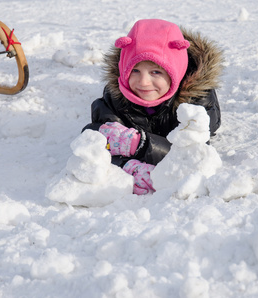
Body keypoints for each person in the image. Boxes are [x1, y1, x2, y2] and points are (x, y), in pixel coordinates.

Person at [83, 19, 223, 195]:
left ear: (176, 72)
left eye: (156, 72)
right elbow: (94, 139)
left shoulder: (196, 102)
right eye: (134, 70)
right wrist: (127, 166)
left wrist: (140, 144)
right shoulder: (117, 95)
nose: (143, 82)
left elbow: (191, 154)